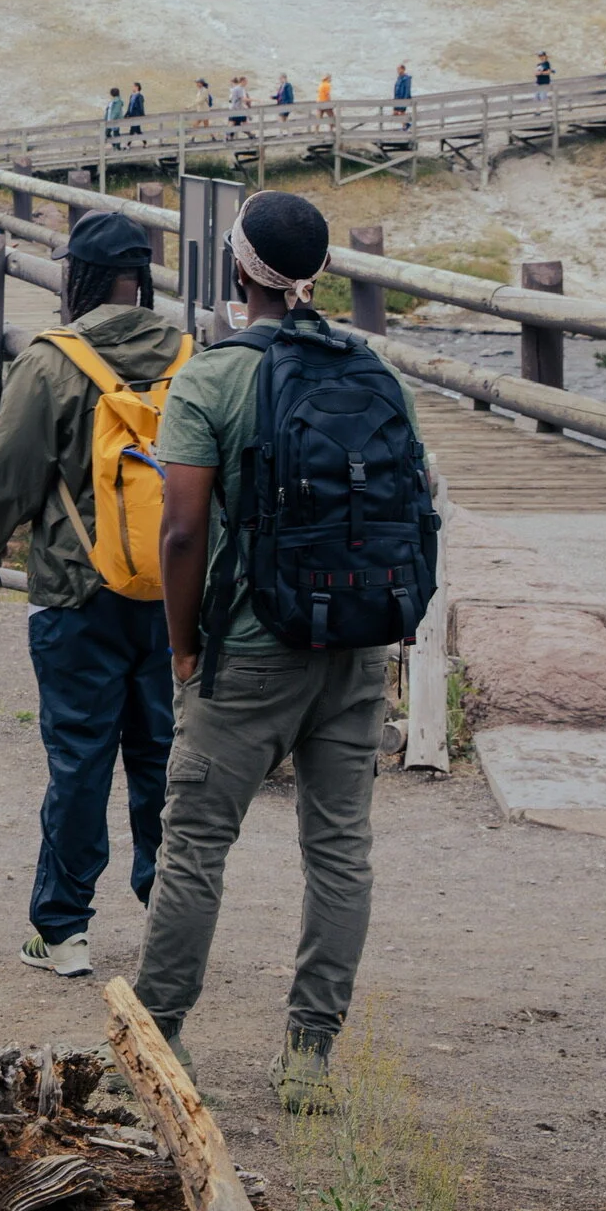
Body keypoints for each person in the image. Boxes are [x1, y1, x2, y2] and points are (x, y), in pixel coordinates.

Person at [137, 188, 427, 1114]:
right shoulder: (371, 368)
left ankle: (158, 1032)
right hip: (353, 649)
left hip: (249, 647)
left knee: (194, 846)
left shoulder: (212, 375)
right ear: (318, 275)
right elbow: (409, 508)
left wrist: (183, 650)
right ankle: (308, 1054)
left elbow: (181, 531)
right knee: (339, 852)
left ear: (237, 269)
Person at [0, 216, 187, 978]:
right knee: (161, 752)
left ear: (78, 278)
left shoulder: (53, 361)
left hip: (73, 589)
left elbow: (8, 473)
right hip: (172, 592)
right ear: (140, 276)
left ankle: (63, 930)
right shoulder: (191, 356)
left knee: (80, 757)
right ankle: (170, 914)